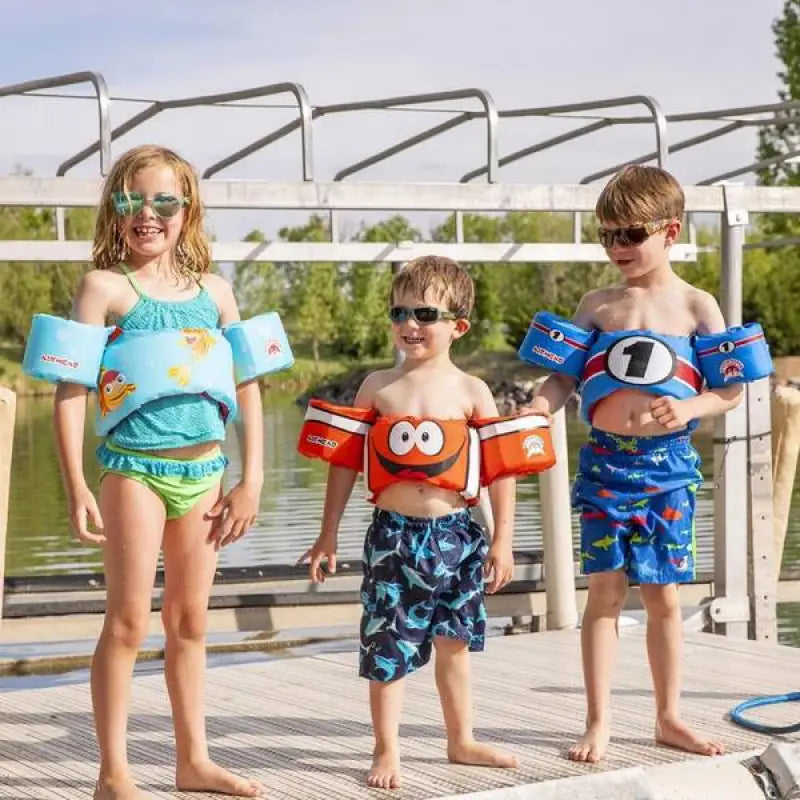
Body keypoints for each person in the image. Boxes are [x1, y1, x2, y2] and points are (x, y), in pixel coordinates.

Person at [53, 145, 265, 799]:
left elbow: (249, 385)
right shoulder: (104, 288)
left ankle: (192, 760)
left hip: (205, 473)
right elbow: (71, 389)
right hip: (134, 472)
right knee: (127, 621)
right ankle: (113, 773)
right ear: (115, 210)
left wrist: (251, 478)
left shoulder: (218, 293)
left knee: (191, 621)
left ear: (187, 210)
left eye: (163, 201)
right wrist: (76, 483)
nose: (148, 214)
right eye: (132, 200)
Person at [521, 165, 751, 763]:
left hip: (667, 467)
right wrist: (532, 413)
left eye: (630, 234)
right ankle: (598, 721)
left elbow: (730, 391)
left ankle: (668, 717)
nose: (617, 247)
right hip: (603, 465)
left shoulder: (699, 306)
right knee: (603, 592)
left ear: (669, 230)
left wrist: (691, 405)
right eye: (607, 235)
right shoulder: (597, 304)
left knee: (663, 597)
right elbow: (562, 377)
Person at [298, 256, 525, 790]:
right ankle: (386, 748)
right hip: (393, 536)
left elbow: (501, 470)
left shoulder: (473, 392)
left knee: (455, 641)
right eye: (399, 312)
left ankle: (460, 739)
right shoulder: (378, 387)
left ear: (457, 326)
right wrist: (327, 532)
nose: (409, 324)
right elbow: (346, 463)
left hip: (458, 536)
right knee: (386, 645)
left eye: (425, 313)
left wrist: (503, 541)